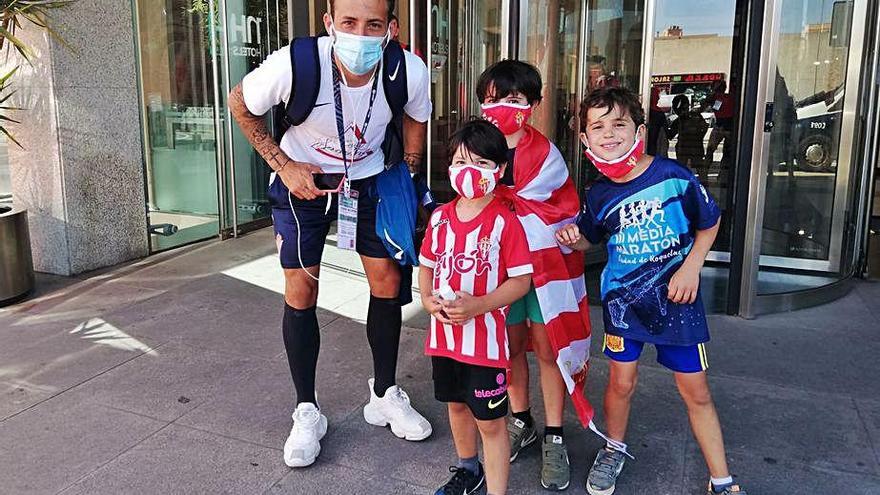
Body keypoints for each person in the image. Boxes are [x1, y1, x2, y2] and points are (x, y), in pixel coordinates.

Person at [227, 0, 432, 468]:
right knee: (301, 287)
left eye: (373, 24)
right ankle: (307, 410)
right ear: (329, 24)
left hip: (372, 181)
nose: (361, 34)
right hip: (305, 182)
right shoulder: (296, 63)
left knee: (388, 283)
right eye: (349, 23)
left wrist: (411, 174)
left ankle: (383, 393)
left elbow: (417, 116)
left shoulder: (408, 70)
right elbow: (240, 102)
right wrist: (283, 164)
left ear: (391, 28)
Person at [557, 87, 747, 495]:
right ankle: (614, 448)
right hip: (623, 304)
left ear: (639, 130)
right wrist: (573, 236)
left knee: (695, 389)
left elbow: (709, 221)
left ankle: (722, 480)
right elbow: (591, 238)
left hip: (678, 303)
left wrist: (692, 267)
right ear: (586, 139)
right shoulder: (598, 192)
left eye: (618, 124)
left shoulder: (674, 177)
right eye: (598, 127)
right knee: (621, 383)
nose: (609, 134)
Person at [477, 60, 594, 492]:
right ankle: (521, 420)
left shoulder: (547, 155)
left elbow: (559, 207)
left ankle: (554, 434)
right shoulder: (479, 148)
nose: (503, 107)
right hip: (498, 269)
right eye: (493, 100)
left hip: (547, 270)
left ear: (534, 104)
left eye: (514, 99)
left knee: (548, 349)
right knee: (509, 348)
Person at [419, 119, 533, 495]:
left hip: (484, 347)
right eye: (461, 161)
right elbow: (428, 265)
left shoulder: (505, 222)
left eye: (482, 164)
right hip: (444, 340)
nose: (469, 171)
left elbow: (521, 281)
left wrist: (481, 305)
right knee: (455, 407)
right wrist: (425, 298)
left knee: (491, 423)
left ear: (499, 170)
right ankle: (469, 470)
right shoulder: (439, 218)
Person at [667, 94, 709, 180]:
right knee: (700, 170)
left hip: (684, 148)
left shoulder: (680, 120)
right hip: (695, 146)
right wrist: (699, 137)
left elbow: (670, 135)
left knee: (683, 170)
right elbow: (705, 127)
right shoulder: (695, 116)